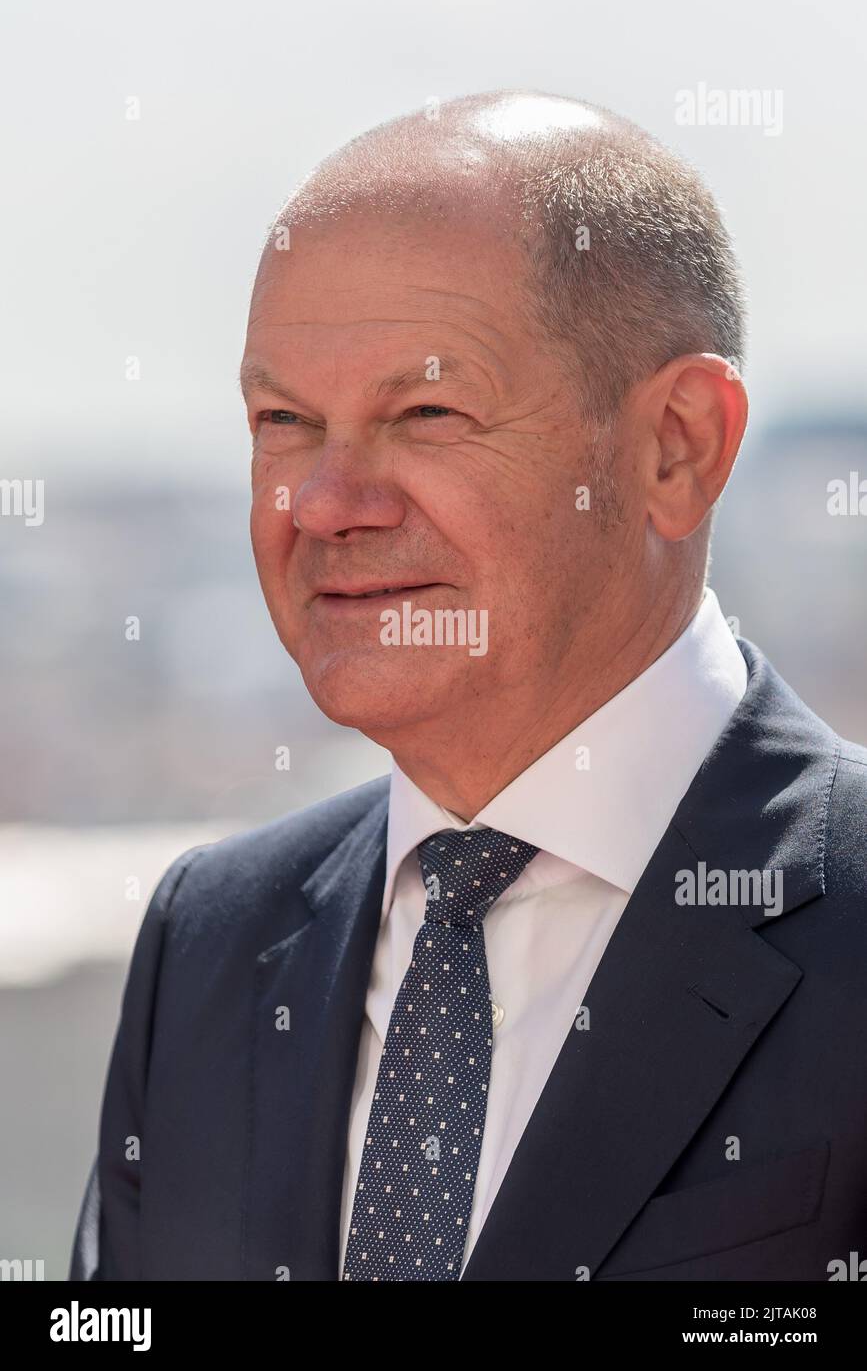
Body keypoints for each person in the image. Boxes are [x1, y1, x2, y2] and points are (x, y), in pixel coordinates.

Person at [69, 89, 867, 1281]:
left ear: (676, 448)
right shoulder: (213, 942)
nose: (329, 502)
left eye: (427, 412)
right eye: (285, 420)